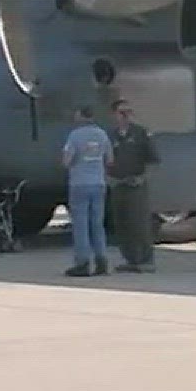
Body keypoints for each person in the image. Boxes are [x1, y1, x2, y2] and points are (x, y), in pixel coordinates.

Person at [108, 99, 161, 272]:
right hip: (118, 184)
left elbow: (154, 161)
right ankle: (131, 259)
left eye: (129, 112)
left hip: (136, 185)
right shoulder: (111, 135)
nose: (126, 116)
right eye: (122, 112)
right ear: (114, 115)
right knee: (121, 223)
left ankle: (146, 260)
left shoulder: (141, 133)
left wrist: (143, 178)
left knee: (139, 223)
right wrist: (107, 178)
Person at [61, 105, 113, 277]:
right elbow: (110, 159)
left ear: (81, 116)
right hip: (98, 183)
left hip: (79, 184)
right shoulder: (102, 134)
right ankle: (102, 261)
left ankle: (83, 262)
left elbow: (67, 161)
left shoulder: (75, 136)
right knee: (97, 224)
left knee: (81, 224)